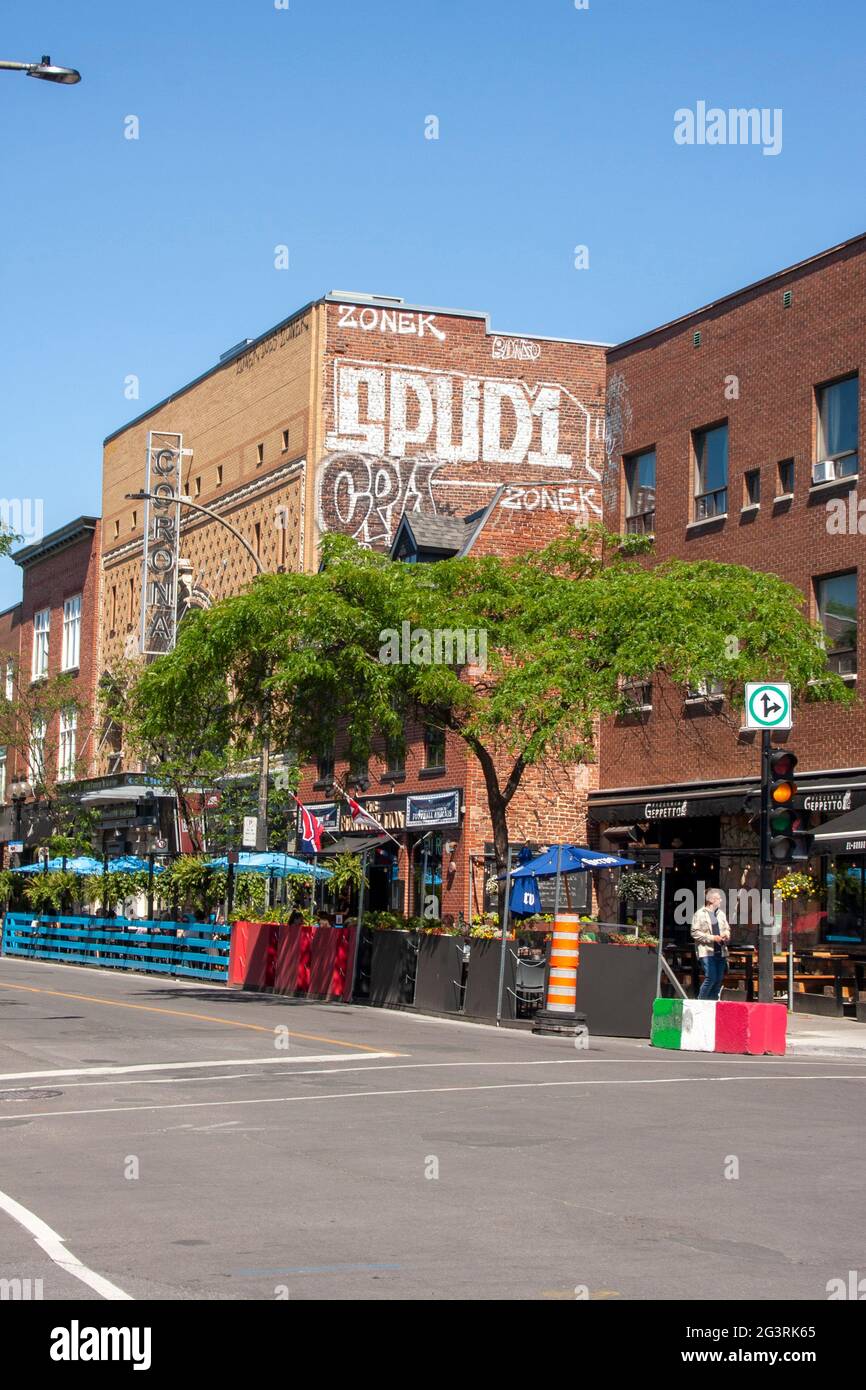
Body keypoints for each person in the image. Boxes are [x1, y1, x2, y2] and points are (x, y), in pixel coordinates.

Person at [691, 888, 730, 1000]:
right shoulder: (700, 914)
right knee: (711, 977)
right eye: (718, 898)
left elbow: (727, 928)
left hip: (721, 951)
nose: (720, 900)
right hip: (707, 952)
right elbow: (694, 932)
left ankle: (712, 1004)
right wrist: (713, 938)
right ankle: (700, 1001)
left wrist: (726, 934)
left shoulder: (720, 914)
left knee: (718, 979)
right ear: (711, 900)